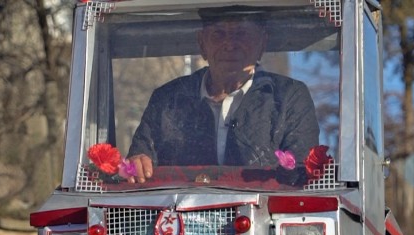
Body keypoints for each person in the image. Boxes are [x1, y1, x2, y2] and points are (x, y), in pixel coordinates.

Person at [127, 7, 320, 183]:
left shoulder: (288, 97)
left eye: (241, 34)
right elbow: (139, 163)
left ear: (262, 43)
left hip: (261, 216)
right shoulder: (167, 99)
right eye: (218, 34)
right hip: (175, 217)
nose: (229, 44)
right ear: (202, 44)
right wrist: (137, 164)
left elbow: (301, 176)